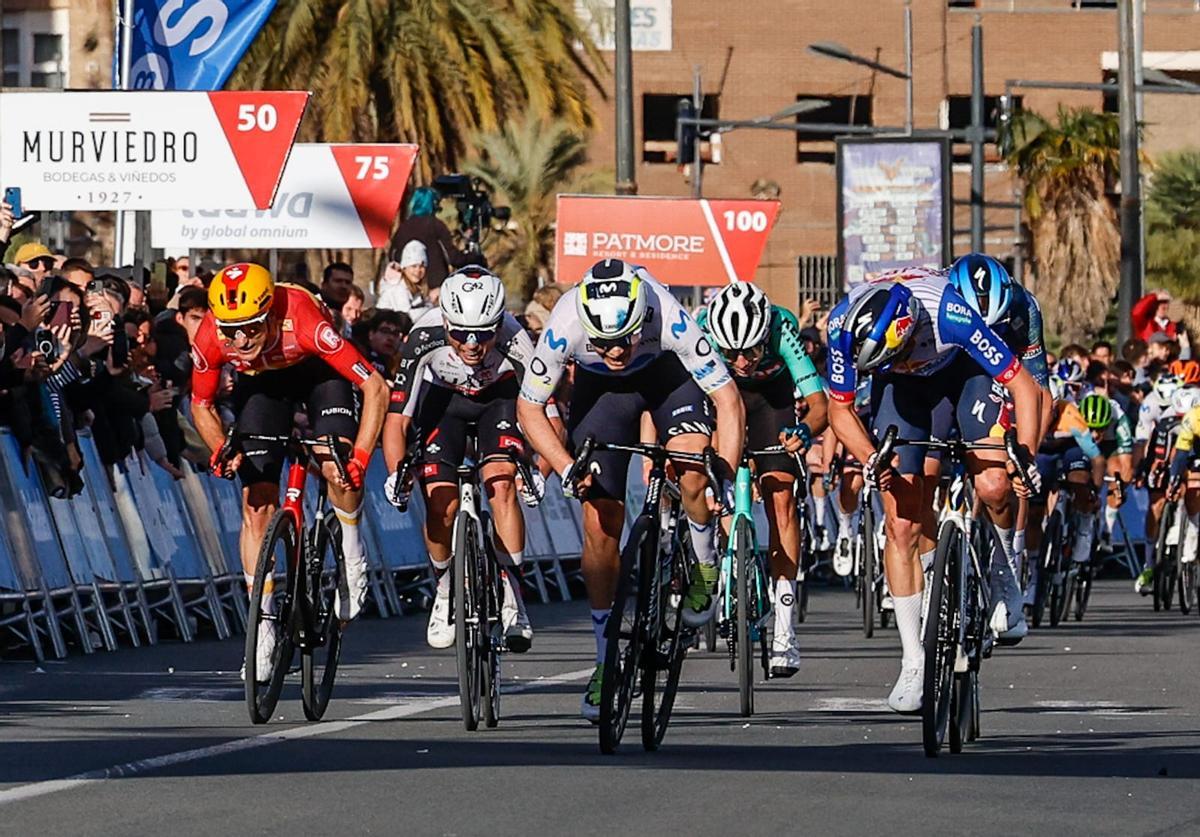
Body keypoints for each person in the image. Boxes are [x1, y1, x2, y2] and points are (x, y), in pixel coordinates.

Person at [516, 259, 745, 721]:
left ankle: (702, 561)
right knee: (600, 522)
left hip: (667, 379)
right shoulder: (565, 324)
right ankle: (605, 661)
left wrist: (724, 471)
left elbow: (728, 399)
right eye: (603, 343)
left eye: (623, 339)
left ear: (642, 320)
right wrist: (565, 468)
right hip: (601, 394)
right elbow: (529, 408)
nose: (615, 351)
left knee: (691, 466)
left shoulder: (668, 314)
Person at [825, 266, 1043, 714]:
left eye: (901, 353)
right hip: (900, 391)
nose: (902, 360)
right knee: (901, 521)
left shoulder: (950, 313)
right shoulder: (842, 327)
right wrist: (871, 457)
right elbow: (840, 411)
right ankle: (912, 660)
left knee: (994, 482)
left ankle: (1005, 575)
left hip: (964, 372)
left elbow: (1023, 384)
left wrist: (1025, 455)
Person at [189, 263, 390, 681]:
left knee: (336, 466)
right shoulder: (212, 334)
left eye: (251, 328)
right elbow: (201, 404)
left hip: (319, 374)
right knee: (257, 502)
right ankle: (262, 625)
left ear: (271, 316)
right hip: (263, 385)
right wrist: (219, 448)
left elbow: (376, 388)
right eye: (231, 330)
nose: (240, 340)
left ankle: (351, 548)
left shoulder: (305, 320)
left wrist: (360, 460)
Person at [382, 267, 539, 651]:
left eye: (484, 334)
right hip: (444, 404)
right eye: (460, 334)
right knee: (440, 502)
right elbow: (398, 418)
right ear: (445, 322)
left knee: (501, 483)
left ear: (499, 323)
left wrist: (537, 467)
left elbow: (542, 411)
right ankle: (444, 589)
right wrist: (395, 474)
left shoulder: (518, 339)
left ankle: (512, 592)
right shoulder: (423, 335)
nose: (471, 344)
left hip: (498, 401)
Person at [695, 281, 828, 677]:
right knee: (715, 480)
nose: (741, 360)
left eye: (750, 351)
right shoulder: (702, 331)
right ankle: (718, 567)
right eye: (731, 351)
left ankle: (785, 628)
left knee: (781, 496)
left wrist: (804, 431)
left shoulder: (780, 328)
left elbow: (819, 406)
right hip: (721, 397)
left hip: (772, 398)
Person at [945, 254, 1052, 631]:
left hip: (997, 375)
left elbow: (1039, 391)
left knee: (996, 484)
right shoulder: (936, 299)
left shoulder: (1025, 308)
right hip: (942, 368)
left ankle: (1005, 566)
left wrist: (1027, 458)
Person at [388, 187, 471, 292]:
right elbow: (453, 258)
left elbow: (393, 256)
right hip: (435, 287)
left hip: (409, 288)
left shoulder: (403, 228)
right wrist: (473, 258)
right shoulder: (435, 225)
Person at [376, 240, 431, 315]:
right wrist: (431, 311)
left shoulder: (416, 287)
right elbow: (406, 316)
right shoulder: (397, 287)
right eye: (413, 266)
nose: (418, 270)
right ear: (404, 268)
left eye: (422, 266)